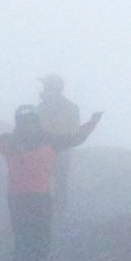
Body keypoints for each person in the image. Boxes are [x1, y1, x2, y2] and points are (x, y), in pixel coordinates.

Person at [0, 100, 102, 261]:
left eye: (32, 121)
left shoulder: (50, 141)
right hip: (18, 198)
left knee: (42, 239)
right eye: (24, 121)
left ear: (37, 122)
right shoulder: (9, 142)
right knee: (22, 236)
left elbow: (77, 138)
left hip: (41, 198)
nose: (29, 125)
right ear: (18, 123)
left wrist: (93, 122)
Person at [35, 75, 84, 217]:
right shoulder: (45, 106)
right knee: (52, 184)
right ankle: (53, 215)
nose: (43, 88)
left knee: (55, 184)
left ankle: (56, 216)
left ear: (53, 88)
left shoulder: (45, 107)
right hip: (50, 152)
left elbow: (71, 132)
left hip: (54, 152)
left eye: (46, 85)